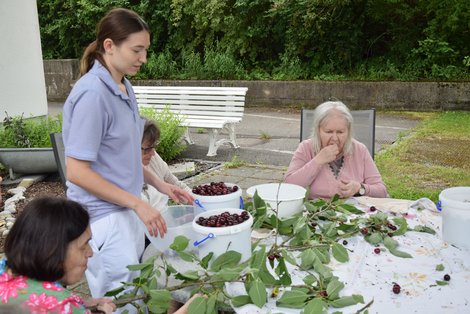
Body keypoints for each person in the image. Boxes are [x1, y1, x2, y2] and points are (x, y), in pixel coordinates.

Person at [61, 8, 193, 313]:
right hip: (104, 218)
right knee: (122, 304)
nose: (143, 58)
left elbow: (124, 156)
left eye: (145, 49)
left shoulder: (122, 85)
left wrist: (161, 185)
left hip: (127, 210)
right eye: (137, 50)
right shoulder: (93, 94)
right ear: (109, 46)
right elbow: (77, 171)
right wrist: (138, 203)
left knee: (139, 296)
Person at [1, 197, 116, 314]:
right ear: (53, 249)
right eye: (84, 245)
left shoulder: (4, 272)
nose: (90, 253)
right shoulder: (61, 305)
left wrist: (80, 305)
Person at [284, 100, 387, 199]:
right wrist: (317, 161)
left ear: (348, 131)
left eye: (340, 132)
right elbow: (289, 186)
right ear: (318, 131)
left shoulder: (360, 150)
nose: (335, 138)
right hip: (317, 212)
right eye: (328, 132)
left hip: (353, 213)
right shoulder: (306, 148)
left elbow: (381, 191)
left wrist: (360, 188)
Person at [140, 118, 192, 210]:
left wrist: (195, 200)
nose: (152, 153)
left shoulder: (153, 159)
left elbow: (176, 185)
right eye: (147, 149)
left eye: (153, 147)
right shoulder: (119, 175)